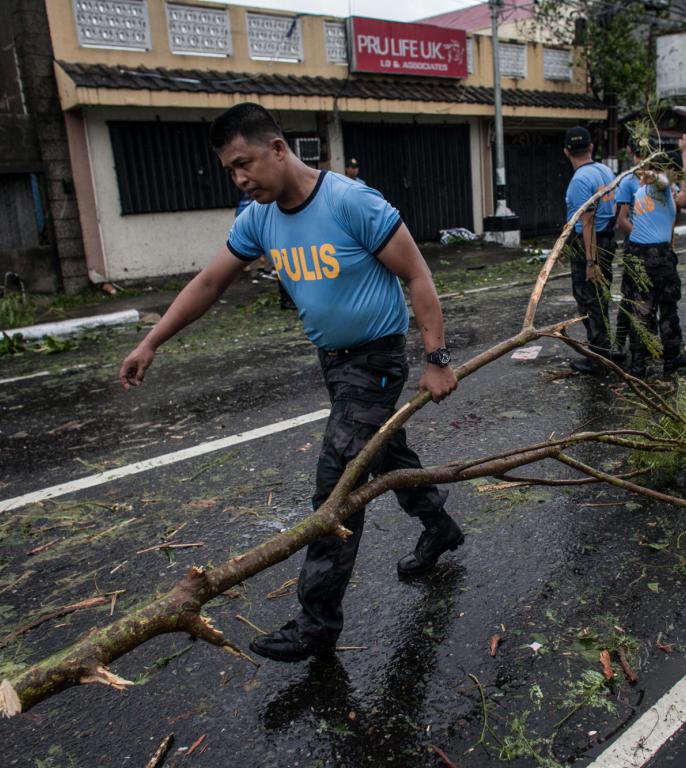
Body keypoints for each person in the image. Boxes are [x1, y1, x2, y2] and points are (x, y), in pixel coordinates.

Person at [118, 103, 463, 663]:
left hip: (375, 362)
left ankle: (317, 620)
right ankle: (439, 524)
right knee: (383, 454)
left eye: (244, 163)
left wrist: (436, 357)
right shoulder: (258, 219)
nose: (240, 177)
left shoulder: (350, 201)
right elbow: (209, 282)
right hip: (333, 362)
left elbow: (418, 274)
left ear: (279, 149)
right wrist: (151, 341)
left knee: (337, 487)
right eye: (230, 170)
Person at [618, 156, 686, 378]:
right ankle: (671, 360)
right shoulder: (659, 184)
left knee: (641, 311)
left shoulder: (644, 191)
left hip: (637, 252)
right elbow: (677, 194)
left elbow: (681, 200)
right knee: (668, 309)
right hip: (657, 256)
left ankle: (638, 364)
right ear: (667, 169)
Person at [615, 133, 686, 351]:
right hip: (641, 249)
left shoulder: (662, 183)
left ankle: (648, 355)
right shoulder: (635, 182)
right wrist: (645, 241)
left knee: (649, 306)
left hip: (654, 249)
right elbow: (622, 219)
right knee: (637, 305)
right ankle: (625, 349)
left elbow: (682, 200)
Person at [562, 126, 618, 374]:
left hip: (590, 245)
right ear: (591, 147)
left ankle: (598, 357)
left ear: (566, 152)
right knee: (601, 297)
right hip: (607, 240)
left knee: (589, 300)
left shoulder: (579, 181)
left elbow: (587, 223)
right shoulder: (606, 171)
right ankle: (605, 349)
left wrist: (589, 261)